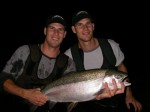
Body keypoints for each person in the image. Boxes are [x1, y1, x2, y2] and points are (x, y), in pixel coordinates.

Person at [0, 14, 124, 112]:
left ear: (65, 34)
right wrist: (25, 94)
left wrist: (98, 95)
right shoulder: (24, 51)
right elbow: (4, 81)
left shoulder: (68, 63)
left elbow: (74, 92)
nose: (56, 33)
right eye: (52, 28)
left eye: (60, 30)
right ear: (45, 31)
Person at [65, 10, 142, 112]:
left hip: (116, 101)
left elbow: (121, 67)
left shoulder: (110, 45)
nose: (85, 28)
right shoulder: (68, 56)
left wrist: (129, 95)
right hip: (87, 105)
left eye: (88, 23)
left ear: (93, 26)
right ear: (73, 29)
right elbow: (64, 83)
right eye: (80, 25)